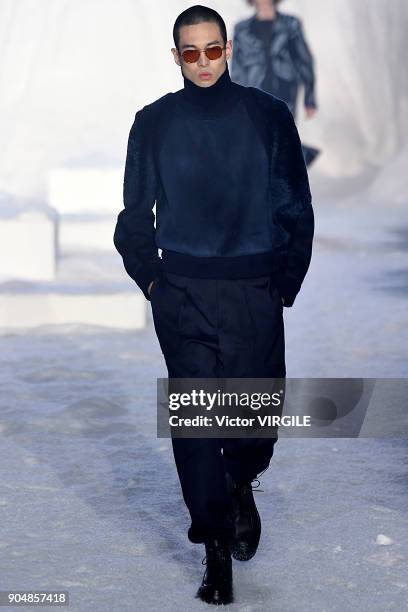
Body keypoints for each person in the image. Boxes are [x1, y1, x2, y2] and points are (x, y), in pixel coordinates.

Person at [114, 4, 314, 606]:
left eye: (213, 49)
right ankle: (214, 548)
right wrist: (153, 282)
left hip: (255, 287)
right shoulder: (152, 123)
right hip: (184, 294)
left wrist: (285, 281)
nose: (203, 62)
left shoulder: (269, 117)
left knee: (254, 415)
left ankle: (242, 479)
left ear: (229, 49)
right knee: (199, 425)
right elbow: (133, 218)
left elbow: (295, 206)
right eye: (191, 52)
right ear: (176, 57)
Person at [232, 0, 320, 166]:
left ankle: (287, 175)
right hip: (254, 91)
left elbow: (304, 60)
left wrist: (310, 98)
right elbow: (237, 67)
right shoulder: (241, 29)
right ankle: (298, 160)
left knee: (281, 137)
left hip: (286, 89)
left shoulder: (291, 24)